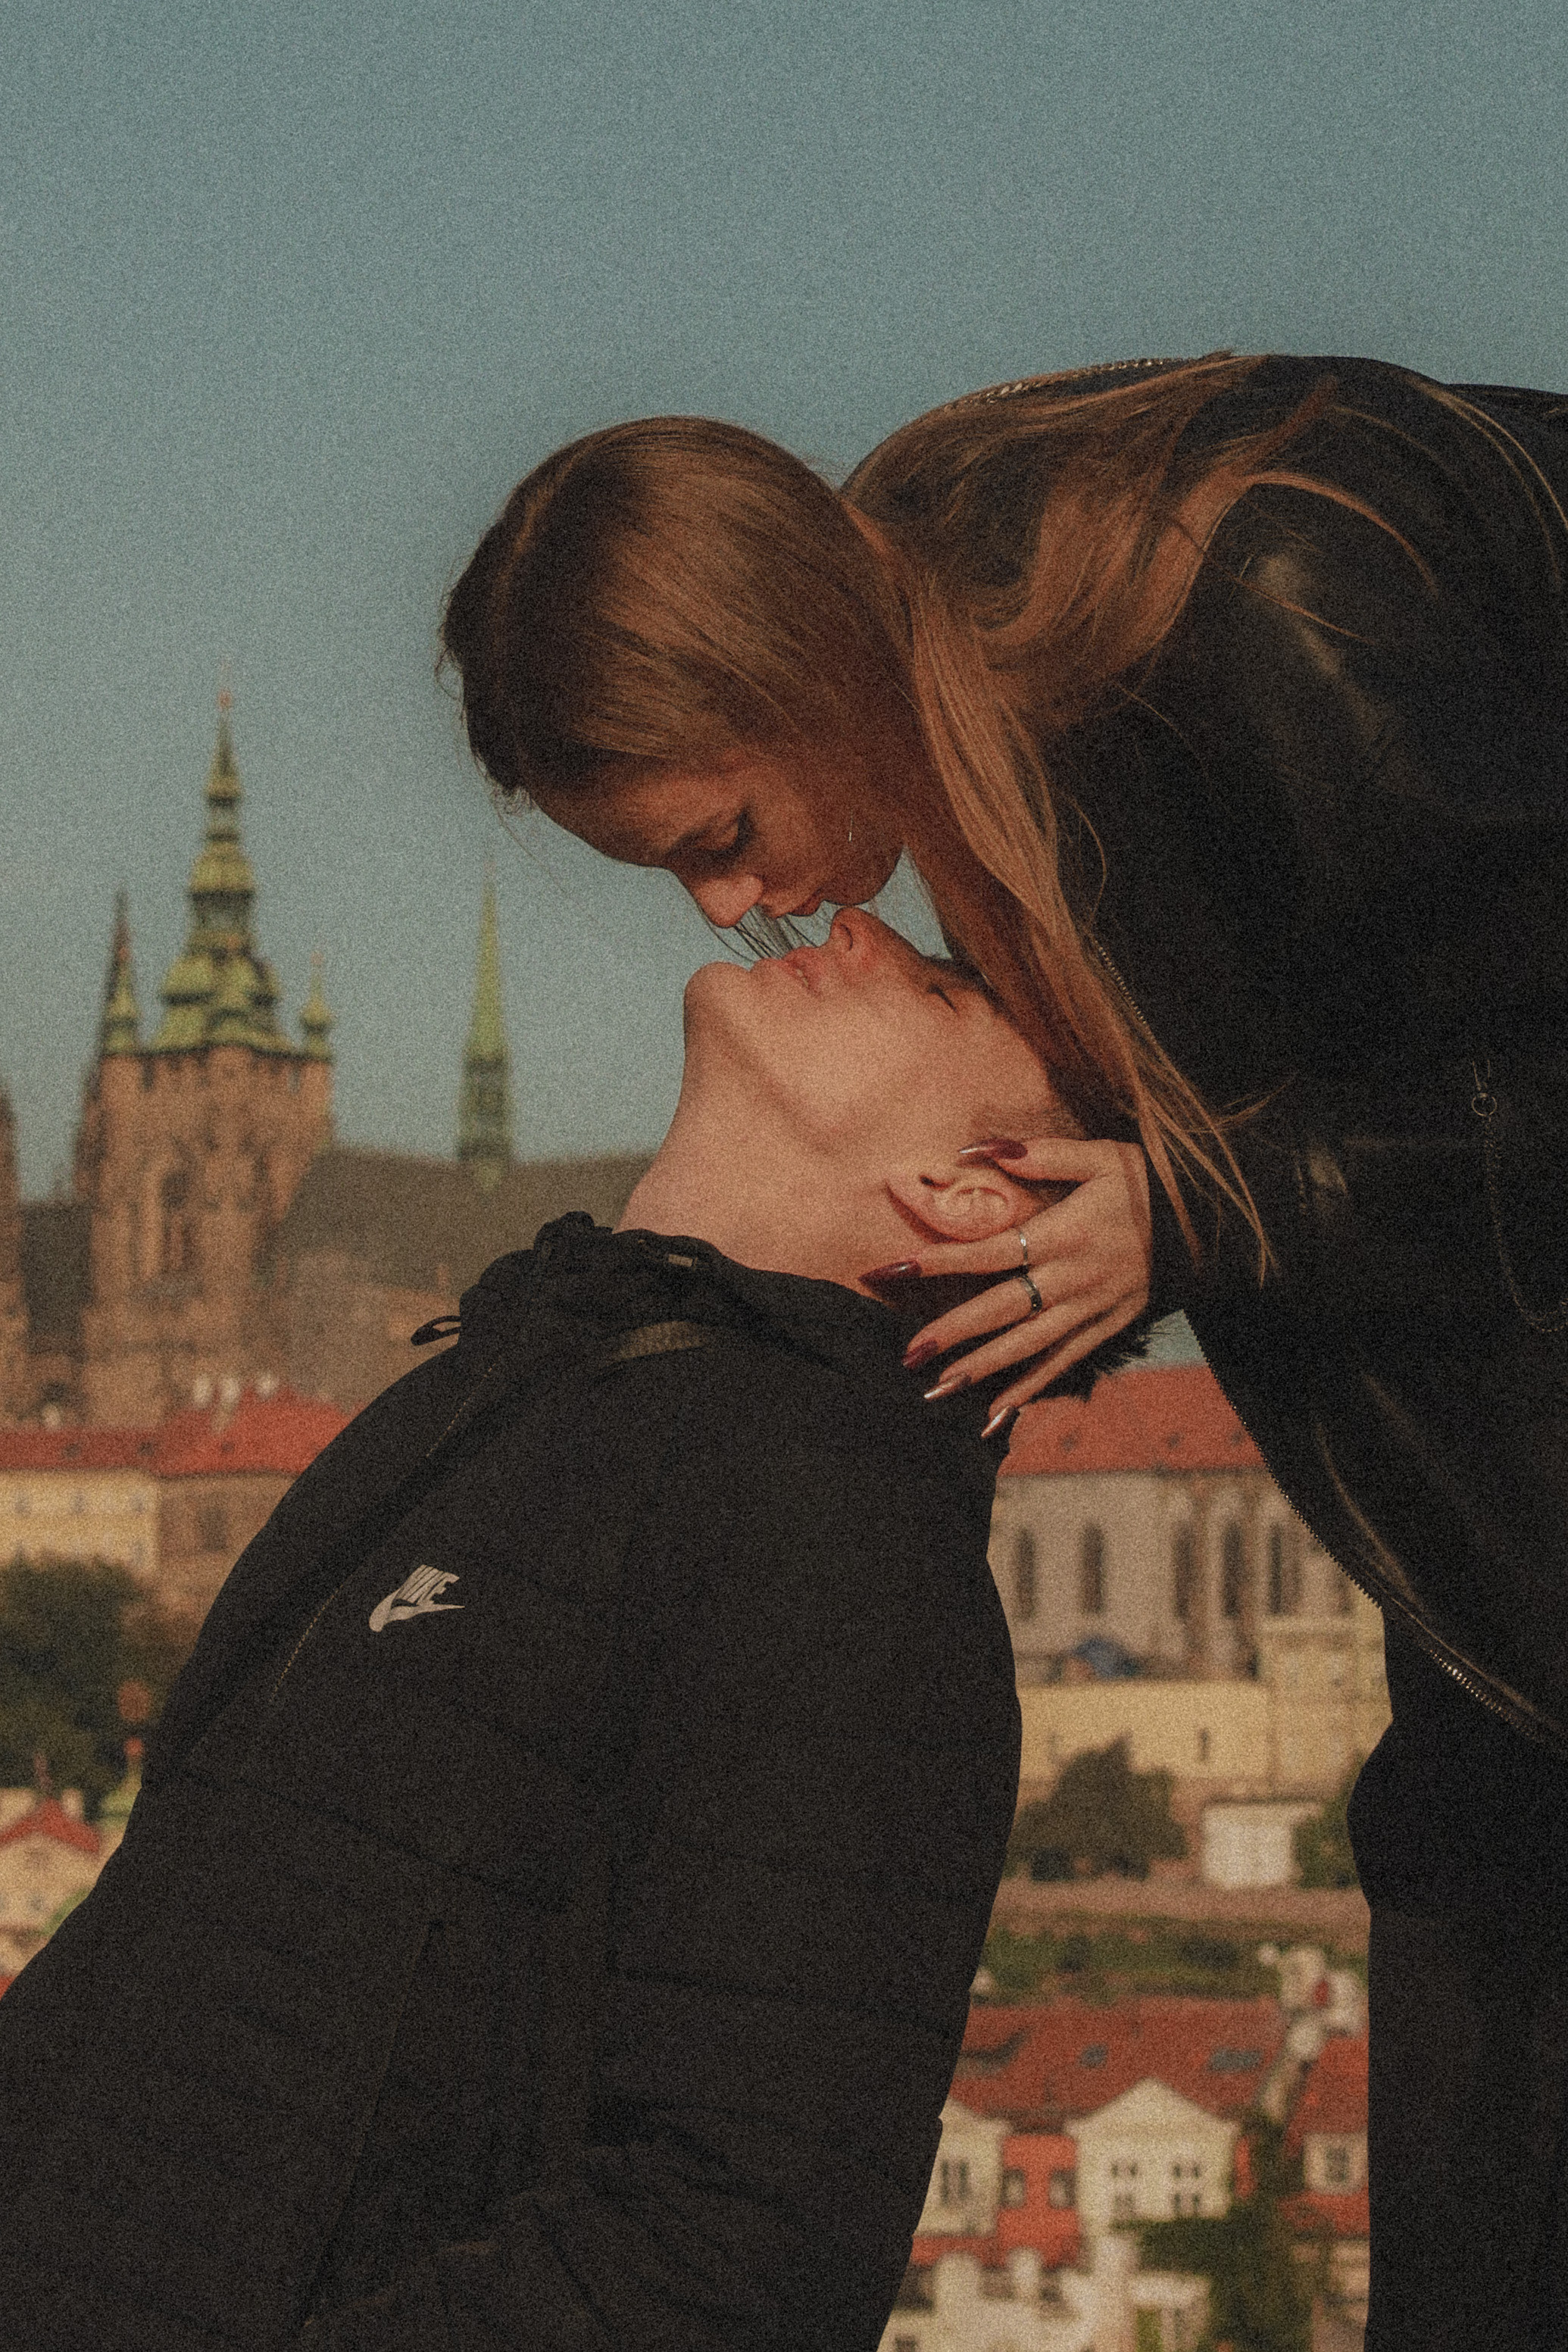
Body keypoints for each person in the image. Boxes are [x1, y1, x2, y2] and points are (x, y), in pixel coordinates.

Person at [439, 354, 1568, 2347]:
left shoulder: (1261, 605)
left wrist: (1198, 1210)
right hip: (1491, 1648)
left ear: (786, 662)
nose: (738, 914)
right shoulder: (973, 705)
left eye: (722, 832)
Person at [0, 909, 1146, 2352]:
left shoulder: (842, 1523)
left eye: (932, 987)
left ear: (971, 1194)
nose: (855, 918)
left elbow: (739, 2253)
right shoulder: (480, 1398)